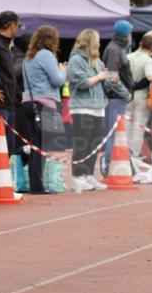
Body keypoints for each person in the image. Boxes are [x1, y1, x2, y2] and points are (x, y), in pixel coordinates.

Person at [20, 25, 66, 193]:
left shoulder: (28, 58)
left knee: (35, 145)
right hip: (43, 103)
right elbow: (57, 81)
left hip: (28, 102)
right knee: (41, 146)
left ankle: (35, 182)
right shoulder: (46, 55)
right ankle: (37, 185)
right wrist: (63, 70)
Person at [67, 29, 111, 193]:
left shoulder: (97, 61)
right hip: (82, 107)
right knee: (82, 143)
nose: (100, 43)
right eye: (98, 40)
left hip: (98, 107)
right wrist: (100, 77)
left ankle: (89, 175)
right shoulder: (76, 60)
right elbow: (81, 83)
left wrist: (109, 78)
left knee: (94, 144)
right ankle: (78, 177)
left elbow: (103, 84)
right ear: (91, 41)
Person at [102, 20, 134, 172]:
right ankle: (109, 166)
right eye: (129, 32)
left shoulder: (118, 48)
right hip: (115, 97)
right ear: (125, 35)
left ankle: (114, 165)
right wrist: (126, 94)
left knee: (116, 133)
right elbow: (112, 77)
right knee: (114, 133)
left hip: (117, 97)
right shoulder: (114, 50)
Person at [0, 10, 20, 157]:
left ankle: (4, 179)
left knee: (8, 147)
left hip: (9, 103)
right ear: (12, 25)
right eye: (18, 25)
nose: (18, 28)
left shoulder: (6, 44)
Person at [127, 35, 152, 159]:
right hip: (141, 97)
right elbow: (150, 76)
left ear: (140, 43)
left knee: (127, 125)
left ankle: (127, 154)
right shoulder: (148, 60)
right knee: (139, 127)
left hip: (128, 95)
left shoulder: (128, 57)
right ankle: (134, 155)